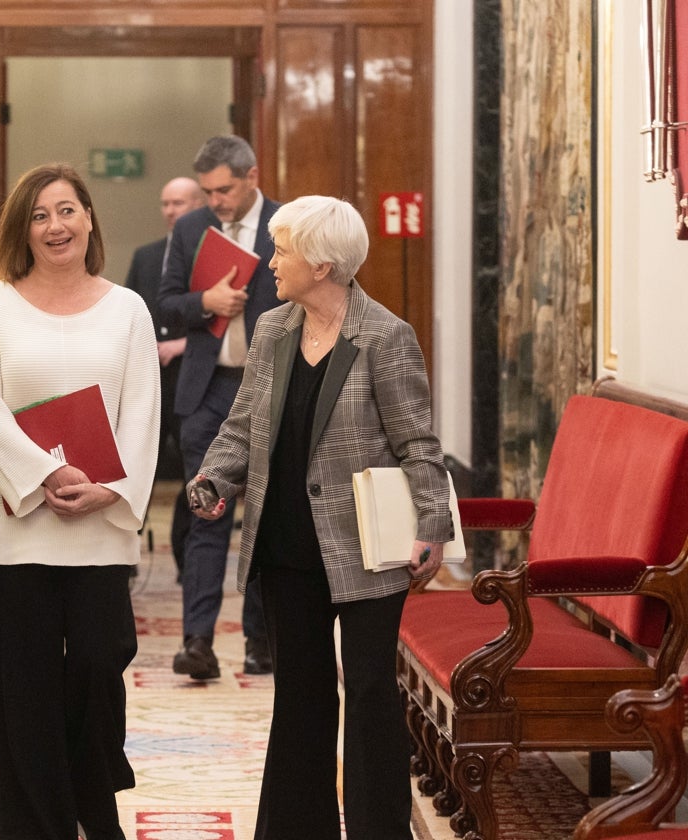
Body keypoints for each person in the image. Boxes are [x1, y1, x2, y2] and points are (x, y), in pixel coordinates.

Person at [186, 195, 450, 839]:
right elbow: (244, 423)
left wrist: (431, 527)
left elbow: (418, 442)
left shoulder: (385, 336)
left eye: (282, 251)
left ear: (324, 264)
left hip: (368, 544)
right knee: (300, 699)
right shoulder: (274, 328)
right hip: (285, 542)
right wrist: (214, 476)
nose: (270, 263)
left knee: (367, 695)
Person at [0, 163, 159, 840]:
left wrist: (111, 487)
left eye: (68, 210)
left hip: (100, 527)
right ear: (23, 230)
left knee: (102, 665)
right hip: (15, 530)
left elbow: (141, 411)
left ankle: (91, 803)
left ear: (89, 220)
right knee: (23, 695)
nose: (56, 226)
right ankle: (40, 827)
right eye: (41, 215)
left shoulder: (128, 307)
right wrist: (41, 478)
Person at [156, 135, 279, 679]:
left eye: (225, 190)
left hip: (270, 391)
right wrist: (204, 303)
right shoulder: (190, 229)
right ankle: (197, 643)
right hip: (207, 394)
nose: (217, 202)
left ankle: (260, 639)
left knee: (266, 520)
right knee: (205, 513)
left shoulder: (287, 225)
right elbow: (164, 304)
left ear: (252, 176)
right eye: (208, 192)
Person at [125, 176, 204, 578]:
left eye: (180, 203)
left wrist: (183, 346)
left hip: (195, 379)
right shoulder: (146, 256)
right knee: (136, 465)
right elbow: (126, 313)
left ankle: (188, 557)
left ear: (199, 205)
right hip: (149, 379)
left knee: (198, 469)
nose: (171, 210)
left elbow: (226, 323)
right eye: (166, 203)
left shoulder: (210, 255)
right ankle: (124, 552)